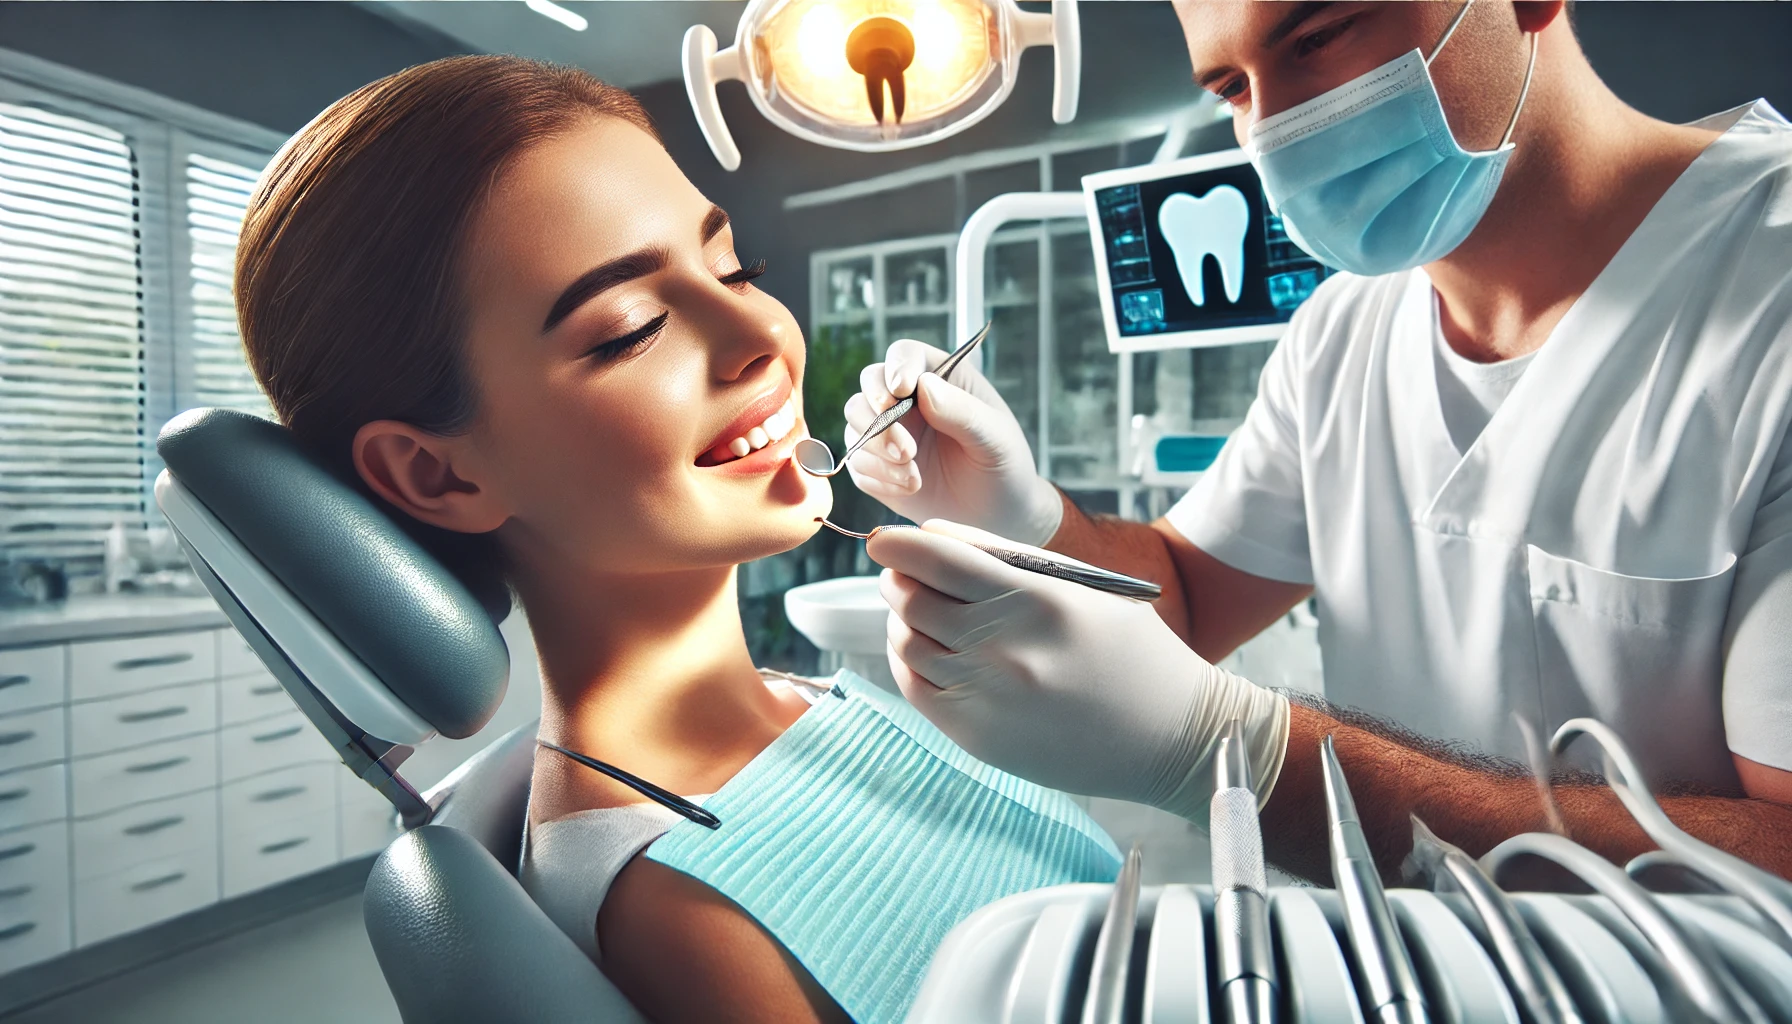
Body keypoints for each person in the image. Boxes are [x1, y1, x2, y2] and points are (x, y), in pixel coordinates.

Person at [233, 55, 1120, 1024]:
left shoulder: (814, 699)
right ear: (439, 473)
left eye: (733, 266)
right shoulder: (684, 909)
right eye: (630, 328)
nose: (759, 333)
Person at [848, 0, 1792, 882]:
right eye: (1230, 90)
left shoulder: (1767, 297)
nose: (1273, 130)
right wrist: (1017, 512)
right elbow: (1185, 591)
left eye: (1316, 37)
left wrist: (1250, 757)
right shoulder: (1344, 330)